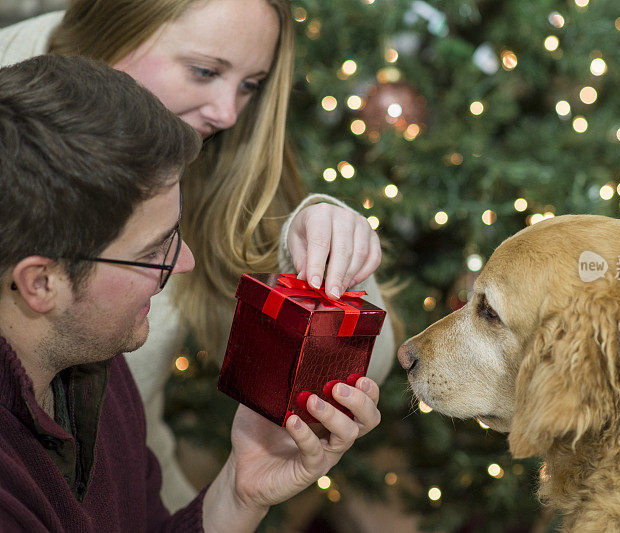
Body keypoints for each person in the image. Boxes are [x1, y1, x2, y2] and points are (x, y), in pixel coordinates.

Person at [0, 0, 396, 509]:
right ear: (116, 26)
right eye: (204, 71)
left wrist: (326, 244)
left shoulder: (220, 152)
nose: (228, 113)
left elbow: (368, 365)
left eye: (251, 85)